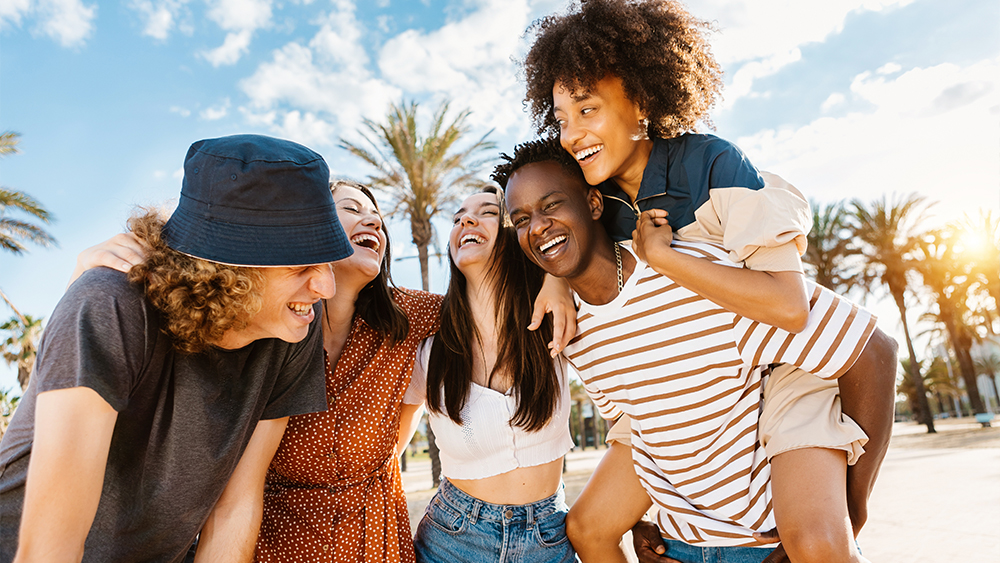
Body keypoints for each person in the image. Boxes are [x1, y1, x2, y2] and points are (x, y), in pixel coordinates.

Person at [522, 2, 894, 560]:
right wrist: (553, 281)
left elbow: (791, 308)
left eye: (588, 109)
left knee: (818, 541)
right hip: (704, 378)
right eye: (562, 118)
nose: (571, 134)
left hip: (785, 361)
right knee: (588, 525)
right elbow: (560, 228)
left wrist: (853, 504)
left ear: (642, 101)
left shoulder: (714, 166)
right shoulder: (604, 195)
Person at [68, 181, 579, 563]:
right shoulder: (265, 323)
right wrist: (121, 259)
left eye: (378, 218)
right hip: (278, 538)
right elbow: (197, 288)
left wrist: (554, 280)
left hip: (376, 538)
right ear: (311, 230)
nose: (372, 222)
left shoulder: (409, 317)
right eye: (352, 209)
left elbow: (489, 300)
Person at [0, 134, 354, 563]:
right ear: (226, 268)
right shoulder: (108, 302)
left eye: (329, 260)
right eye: (301, 265)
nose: (325, 286)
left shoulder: (294, 326)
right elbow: (47, 551)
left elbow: (234, 507)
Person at [403, 187, 578, 563]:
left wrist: (556, 276)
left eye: (486, 212)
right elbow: (389, 450)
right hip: (450, 539)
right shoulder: (429, 354)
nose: (466, 219)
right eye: (458, 217)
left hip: (547, 538)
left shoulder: (558, 323)